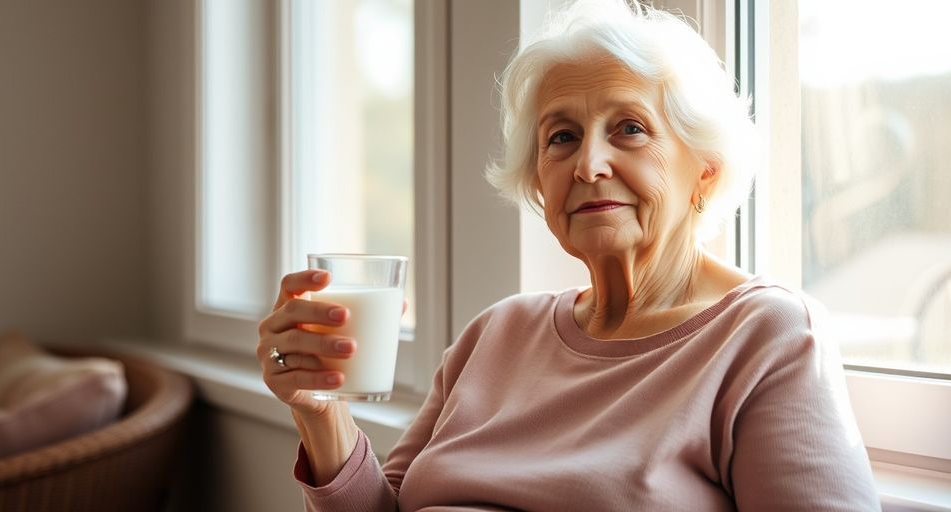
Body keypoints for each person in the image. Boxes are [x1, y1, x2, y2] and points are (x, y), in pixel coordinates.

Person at [256, 0, 881, 509]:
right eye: (562, 137)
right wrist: (322, 415)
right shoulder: (496, 333)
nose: (588, 165)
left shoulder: (766, 336)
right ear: (538, 182)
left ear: (706, 173)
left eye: (630, 128)